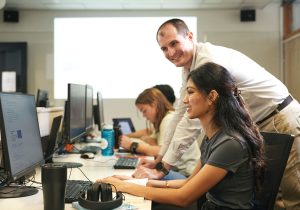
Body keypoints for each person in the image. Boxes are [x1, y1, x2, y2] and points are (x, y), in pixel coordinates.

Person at [133, 18, 300, 210]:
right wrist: (160, 159)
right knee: (271, 195)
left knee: (290, 194)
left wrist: (162, 169)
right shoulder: (189, 68)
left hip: (278, 116)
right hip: (259, 123)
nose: (170, 52)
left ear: (189, 36)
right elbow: (180, 113)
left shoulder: (208, 61)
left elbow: (189, 122)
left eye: (174, 43)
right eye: (164, 48)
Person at [99, 62, 265, 210]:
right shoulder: (212, 138)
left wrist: (123, 187)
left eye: (191, 92)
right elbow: (187, 183)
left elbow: (183, 198)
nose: (185, 100)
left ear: (212, 97)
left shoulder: (230, 143)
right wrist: (132, 182)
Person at [120, 87, 200, 179]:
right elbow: (153, 141)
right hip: (179, 170)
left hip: (186, 174)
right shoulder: (164, 119)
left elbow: (159, 151)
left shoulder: (168, 119)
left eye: (144, 110)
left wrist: (132, 145)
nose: (144, 115)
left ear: (154, 104)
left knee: (140, 177)